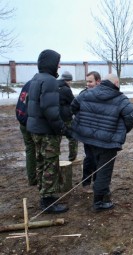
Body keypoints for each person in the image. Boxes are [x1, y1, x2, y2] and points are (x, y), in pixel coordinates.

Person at [71, 73, 133, 211]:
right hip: (108, 142)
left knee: (94, 163)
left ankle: (102, 192)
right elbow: (132, 115)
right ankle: (99, 202)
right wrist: (121, 131)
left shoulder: (86, 93)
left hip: (89, 138)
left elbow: (74, 106)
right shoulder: (120, 99)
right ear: (116, 83)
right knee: (104, 170)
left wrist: (85, 125)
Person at [27, 49, 70, 214]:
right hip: (47, 132)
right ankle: (48, 200)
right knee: (50, 164)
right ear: (52, 63)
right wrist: (62, 128)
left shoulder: (36, 79)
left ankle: (44, 193)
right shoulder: (51, 81)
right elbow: (50, 110)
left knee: (41, 161)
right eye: (58, 62)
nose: (59, 65)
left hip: (35, 130)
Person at [81, 71, 101, 193]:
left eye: (90, 81)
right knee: (90, 158)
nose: (88, 84)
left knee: (99, 159)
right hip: (87, 133)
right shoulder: (83, 95)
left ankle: (97, 183)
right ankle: (86, 182)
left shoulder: (103, 95)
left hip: (100, 133)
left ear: (98, 81)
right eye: (87, 81)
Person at [15, 80, 37, 186]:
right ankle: (35, 178)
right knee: (37, 149)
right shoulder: (38, 85)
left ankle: (32, 178)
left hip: (22, 120)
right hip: (30, 122)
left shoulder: (28, 83)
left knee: (30, 149)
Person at [58, 71, 78, 161]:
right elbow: (73, 101)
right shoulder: (66, 89)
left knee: (57, 138)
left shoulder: (54, 86)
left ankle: (55, 158)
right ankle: (72, 158)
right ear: (67, 80)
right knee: (72, 137)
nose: (70, 82)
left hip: (56, 117)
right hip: (66, 117)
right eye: (70, 80)